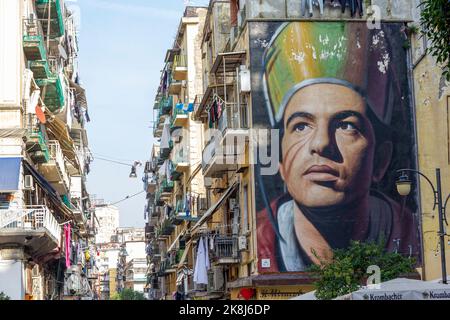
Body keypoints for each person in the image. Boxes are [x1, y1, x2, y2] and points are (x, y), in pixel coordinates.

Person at [257, 22, 420, 272]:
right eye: (301, 126)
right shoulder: (260, 239)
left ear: (381, 159)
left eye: (346, 125)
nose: (322, 143)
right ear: (280, 159)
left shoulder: (415, 236)